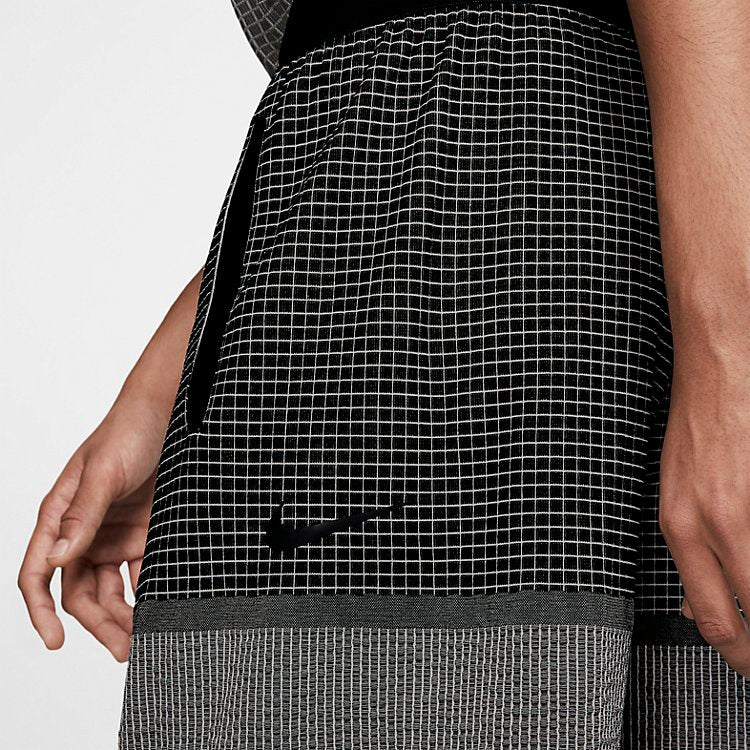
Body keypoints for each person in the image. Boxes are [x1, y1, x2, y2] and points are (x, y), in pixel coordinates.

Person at [17, 0, 750, 746]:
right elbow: (355, 88)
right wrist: (163, 392)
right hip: (416, 262)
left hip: (525, 248)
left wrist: (727, 362)